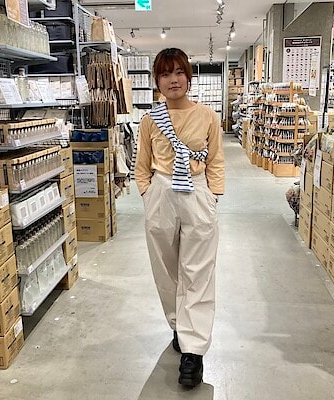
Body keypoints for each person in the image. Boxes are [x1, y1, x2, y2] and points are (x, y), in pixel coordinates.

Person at [134, 48, 225, 388]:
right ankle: (178, 324)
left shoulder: (207, 116)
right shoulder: (150, 120)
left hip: (197, 193)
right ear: (156, 81)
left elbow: (215, 159)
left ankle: (193, 351)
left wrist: (213, 195)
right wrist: (146, 192)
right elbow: (141, 162)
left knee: (198, 271)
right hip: (160, 192)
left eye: (178, 72)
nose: (173, 80)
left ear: (189, 76)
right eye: (165, 73)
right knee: (166, 269)